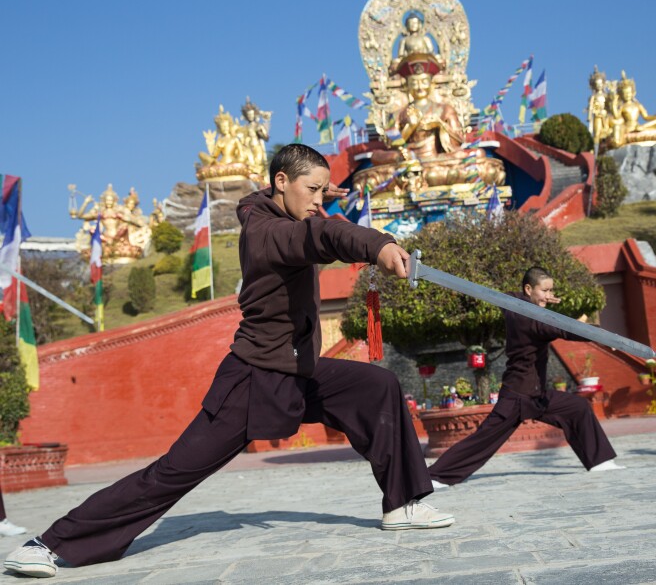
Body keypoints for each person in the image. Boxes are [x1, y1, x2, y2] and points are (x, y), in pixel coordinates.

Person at [4, 144, 453, 579]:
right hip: (255, 379)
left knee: (375, 386)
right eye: (312, 190)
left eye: (323, 191)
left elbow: (291, 208)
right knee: (171, 474)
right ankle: (49, 544)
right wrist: (377, 244)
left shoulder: (274, 208)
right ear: (282, 182)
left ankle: (403, 503)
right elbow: (324, 235)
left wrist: (318, 193)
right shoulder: (270, 233)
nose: (318, 201)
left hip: (298, 369)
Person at [429, 267, 623, 489]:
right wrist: (604, 336)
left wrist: (541, 299)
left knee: (577, 407)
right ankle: (436, 476)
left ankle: (599, 460)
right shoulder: (534, 320)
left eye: (551, 291)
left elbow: (513, 298)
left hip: (536, 396)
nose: (549, 296)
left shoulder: (515, 305)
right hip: (518, 396)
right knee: (484, 440)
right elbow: (566, 329)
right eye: (545, 290)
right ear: (529, 288)